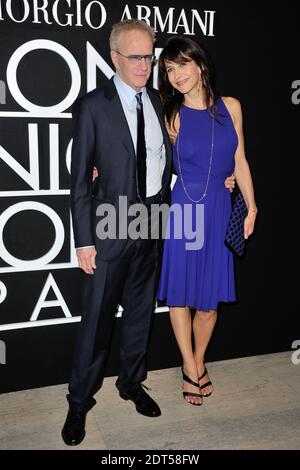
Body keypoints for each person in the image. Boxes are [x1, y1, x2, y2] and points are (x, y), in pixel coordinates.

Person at [62, 19, 173, 446]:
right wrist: (84, 238)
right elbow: (79, 183)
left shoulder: (160, 102)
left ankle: (131, 383)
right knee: (96, 322)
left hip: (152, 222)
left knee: (141, 312)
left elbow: (164, 159)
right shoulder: (94, 105)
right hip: (109, 229)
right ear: (115, 58)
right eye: (136, 56)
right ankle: (78, 402)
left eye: (150, 56)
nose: (145, 65)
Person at [157, 36, 258, 406]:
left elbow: (241, 160)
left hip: (217, 206)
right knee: (181, 294)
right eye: (168, 69)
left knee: (209, 303)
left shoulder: (231, 107)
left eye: (182, 64)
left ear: (200, 65)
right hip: (185, 208)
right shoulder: (171, 115)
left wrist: (251, 204)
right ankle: (189, 366)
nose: (176, 75)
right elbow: (149, 159)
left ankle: (198, 361)